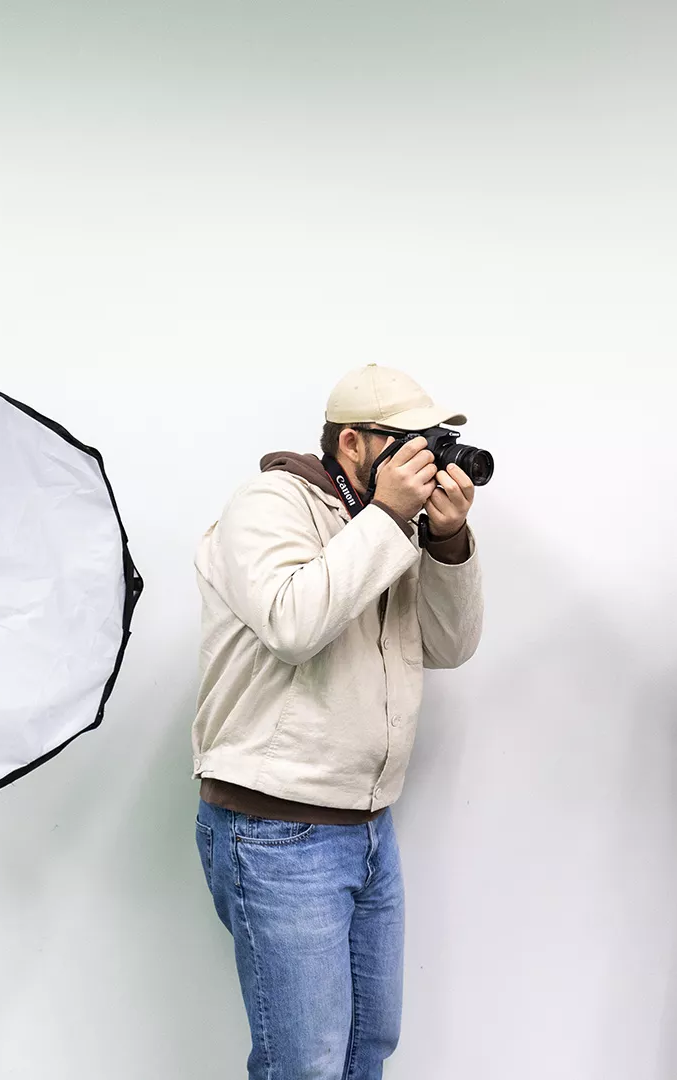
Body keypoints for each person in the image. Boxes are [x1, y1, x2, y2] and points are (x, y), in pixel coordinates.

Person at [191, 363, 483, 1080]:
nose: (430, 457)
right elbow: (294, 625)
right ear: (352, 442)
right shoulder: (269, 504)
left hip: (369, 824)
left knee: (365, 1050)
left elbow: (448, 646)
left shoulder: (389, 527)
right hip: (278, 830)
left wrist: (446, 542)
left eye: (434, 441)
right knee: (305, 1065)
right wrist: (387, 518)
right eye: (410, 440)